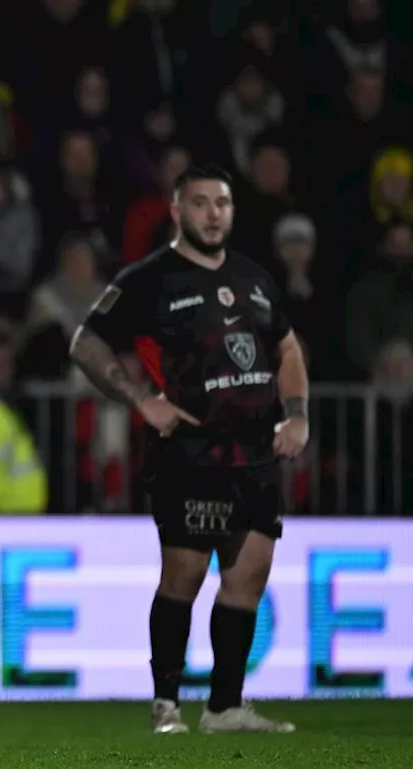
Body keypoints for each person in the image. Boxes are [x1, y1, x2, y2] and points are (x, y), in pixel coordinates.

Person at [68, 165, 309, 734]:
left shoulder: (254, 278)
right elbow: (85, 342)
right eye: (199, 203)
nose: (212, 213)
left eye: (221, 203)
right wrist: (139, 398)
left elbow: (288, 348)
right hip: (189, 452)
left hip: (254, 450)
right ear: (176, 211)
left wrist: (296, 415)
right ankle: (166, 706)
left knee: (249, 575)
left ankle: (225, 706)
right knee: (185, 574)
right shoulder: (149, 279)